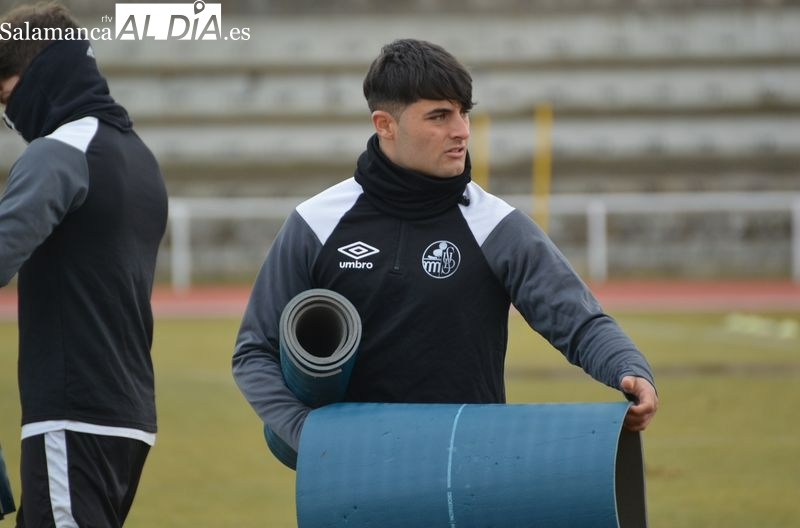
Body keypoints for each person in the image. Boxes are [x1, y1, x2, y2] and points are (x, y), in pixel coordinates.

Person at [233, 38, 658, 468]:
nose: (462, 131)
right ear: (385, 124)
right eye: (439, 115)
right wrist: (305, 436)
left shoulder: (495, 225)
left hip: (467, 468)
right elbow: (254, 351)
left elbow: (576, 318)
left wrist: (626, 365)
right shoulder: (315, 224)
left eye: (463, 112)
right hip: (353, 475)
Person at [0, 2, 168, 525]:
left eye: (6, 95)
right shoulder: (138, 156)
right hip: (126, 414)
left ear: (43, 73)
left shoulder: (59, 153)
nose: (8, 116)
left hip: (72, 412)